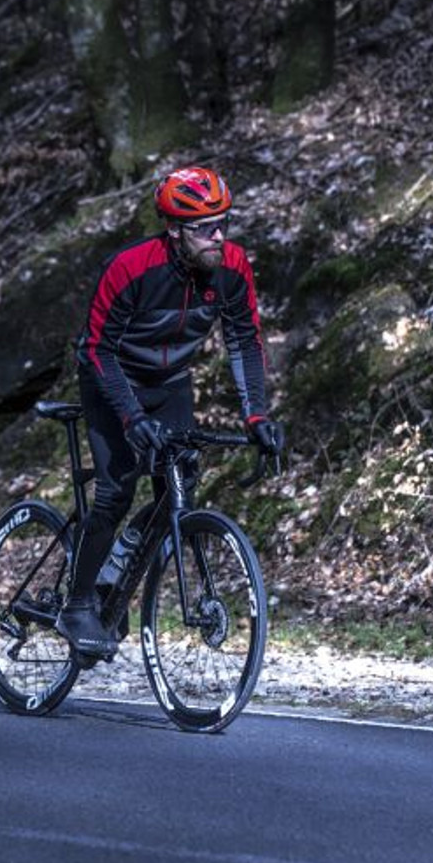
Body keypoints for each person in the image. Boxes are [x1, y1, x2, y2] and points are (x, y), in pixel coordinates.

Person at [58, 166, 284, 658]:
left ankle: (114, 575)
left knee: (179, 488)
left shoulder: (233, 266)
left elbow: (244, 341)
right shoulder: (131, 267)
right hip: (112, 377)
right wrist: (131, 417)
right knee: (116, 491)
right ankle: (77, 605)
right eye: (205, 228)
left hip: (170, 382)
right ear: (175, 230)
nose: (218, 236)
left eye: (223, 223)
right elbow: (97, 349)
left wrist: (257, 416)